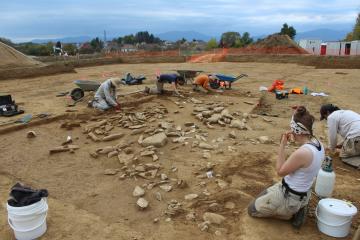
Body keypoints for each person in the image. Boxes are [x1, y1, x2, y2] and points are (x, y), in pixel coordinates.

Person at [248, 106, 325, 228]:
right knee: (265, 193)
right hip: (303, 191)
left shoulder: (303, 152)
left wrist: (282, 145)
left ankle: (289, 213)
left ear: (296, 130)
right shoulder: (319, 144)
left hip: (290, 197)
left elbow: (279, 171)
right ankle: (301, 205)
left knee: (252, 209)